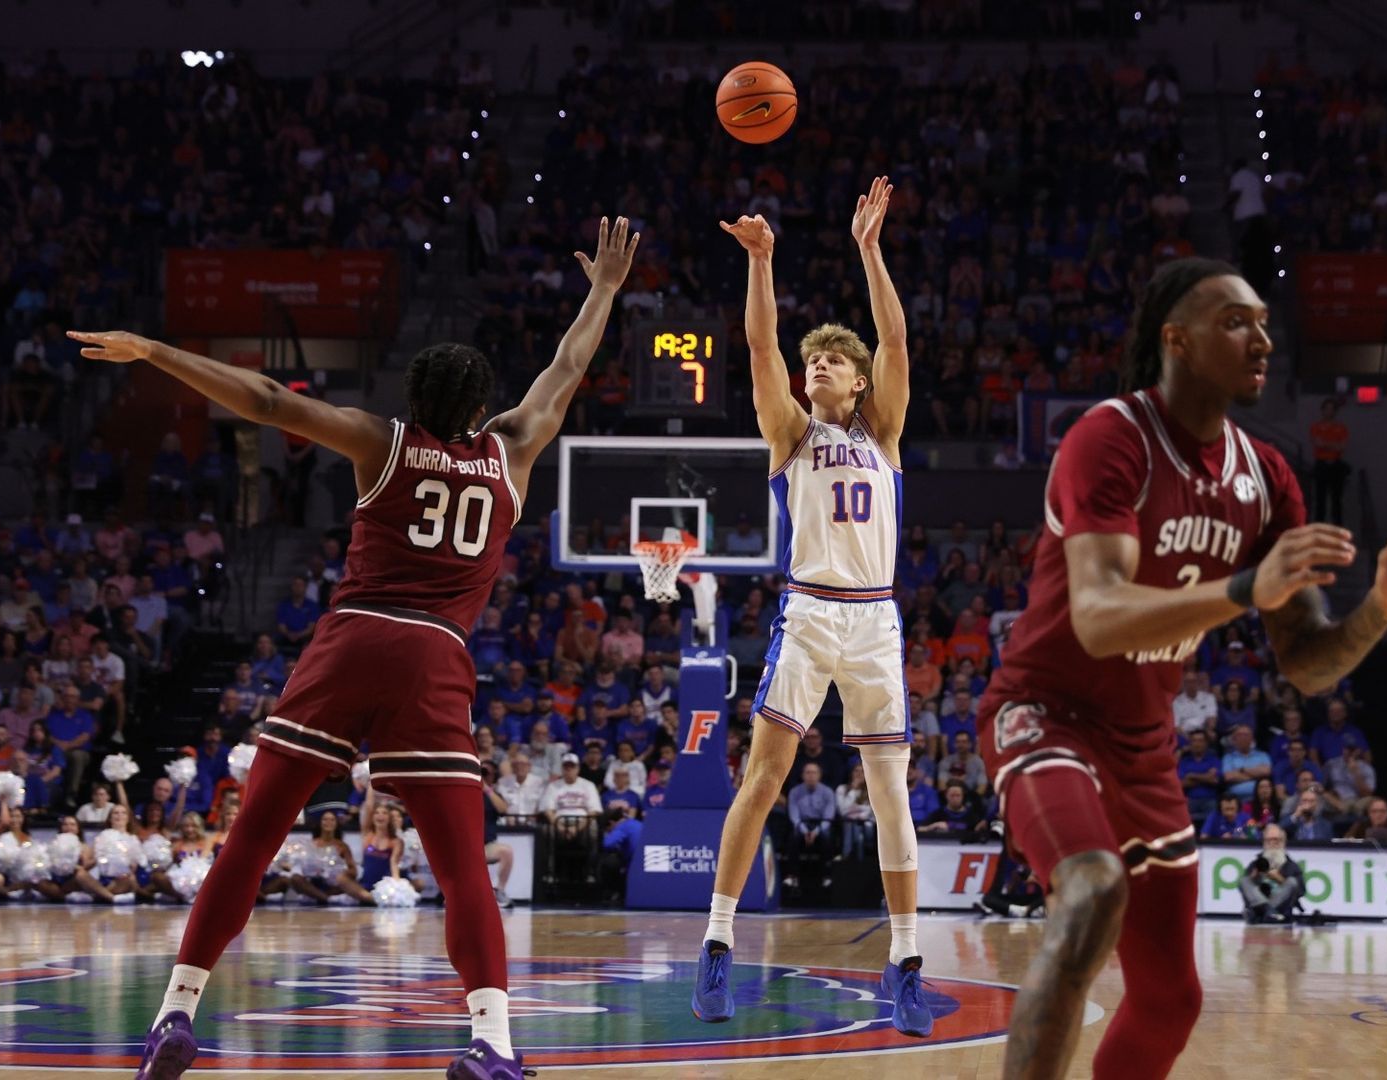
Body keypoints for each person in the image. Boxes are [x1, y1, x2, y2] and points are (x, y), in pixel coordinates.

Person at [78, 213, 639, 1080]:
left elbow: (267, 403)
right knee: (462, 870)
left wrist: (155, 350)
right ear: (480, 408)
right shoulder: (513, 452)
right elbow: (566, 367)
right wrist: (601, 290)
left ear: (415, 401)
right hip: (434, 658)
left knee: (251, 840)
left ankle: (176, 1014)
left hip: (351, 643)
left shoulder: (383, 441)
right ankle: (492, 1041)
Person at [973, 258, 1387, 1080]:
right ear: (1176, 340)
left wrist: (1383, 608)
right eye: (1236, 322)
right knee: (1092, 889)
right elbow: (1097, 618)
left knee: (1170, 1000)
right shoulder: (1111, 436)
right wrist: (1244, 588)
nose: (1262, 339)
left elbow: (1307, 666)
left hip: (1145, 749)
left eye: (1264, 323)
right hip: (1046, 714)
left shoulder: (1267, 477)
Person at [697, 180, 933, 1037]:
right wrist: (761, 262)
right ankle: (718, 940)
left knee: (890, 788)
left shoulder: (884, 432)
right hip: (809, 612)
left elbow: (896, 337)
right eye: (815, 361)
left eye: (834, 360)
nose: (819, 366)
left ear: (860, 379)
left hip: (874, 619)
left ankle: (906, 959)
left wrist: (871, 250)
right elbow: (760, 344)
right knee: (764, 776)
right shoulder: (792, 435)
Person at [1238, 824, 1303, 923]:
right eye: (1269, 840)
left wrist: (1279, 878)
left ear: (1283, 842)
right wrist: (1254, 877)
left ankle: (1267, 911)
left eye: (1276, 840)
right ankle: (1268, 911)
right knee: (1244, 880)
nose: (1272, 843)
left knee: (1292, 882)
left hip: (1280, 909)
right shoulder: (1256, 863)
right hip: (1258, 906)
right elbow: (1245, 888)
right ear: (1264, 842)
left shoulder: (1291, 865)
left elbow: (1301, 891)